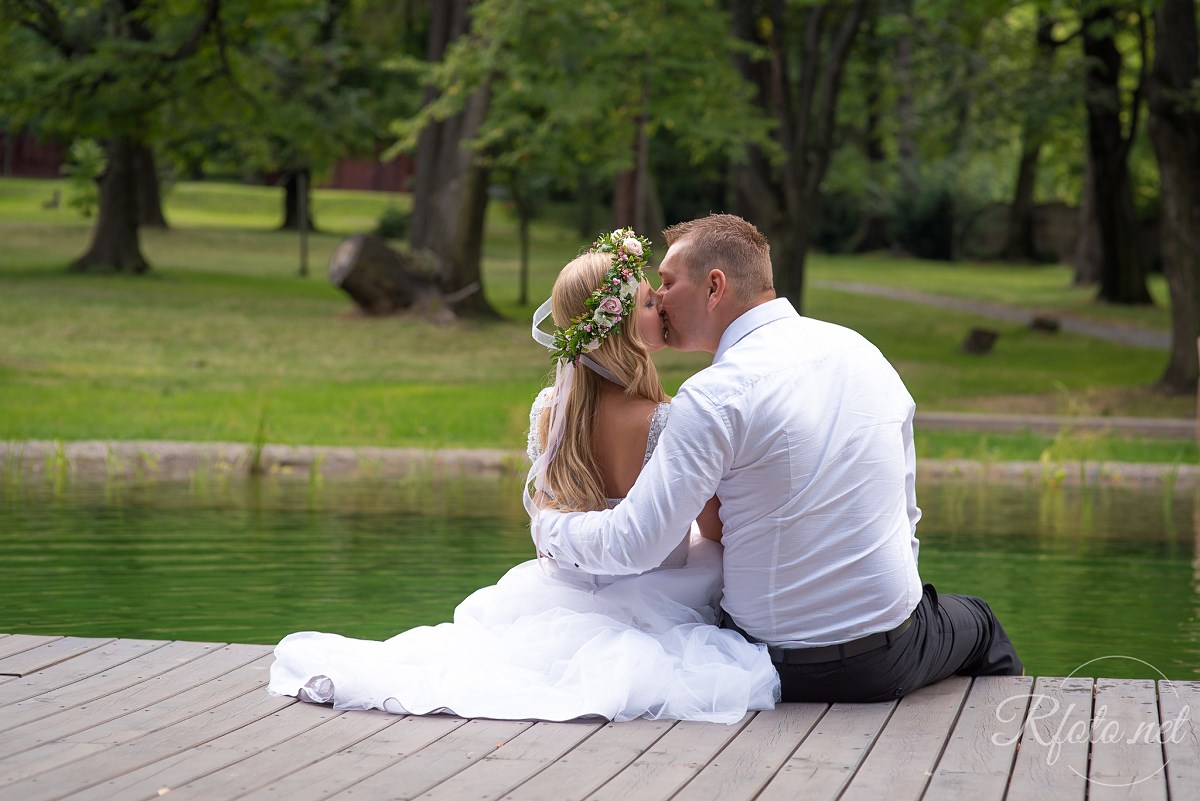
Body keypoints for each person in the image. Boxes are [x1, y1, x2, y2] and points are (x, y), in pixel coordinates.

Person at [268, 229, 780, 722]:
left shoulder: (551, 409)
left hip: (564, 592)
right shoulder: (662, 420)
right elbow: (712, 525)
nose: (662, 307)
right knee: (707, 553)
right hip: (657, 601)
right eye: (649, 303)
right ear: (621, 325)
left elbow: (551, 507)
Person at [535, 214, 1022, 703]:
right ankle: (1008, 742)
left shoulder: (710, 397)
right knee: (981, 623)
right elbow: (906, 509)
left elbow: (635, 545)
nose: (657, 298)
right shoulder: (864, 353)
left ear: (714, 287)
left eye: (666, 282)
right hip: (889, 656)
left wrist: (549, 528)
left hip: (764, 664)